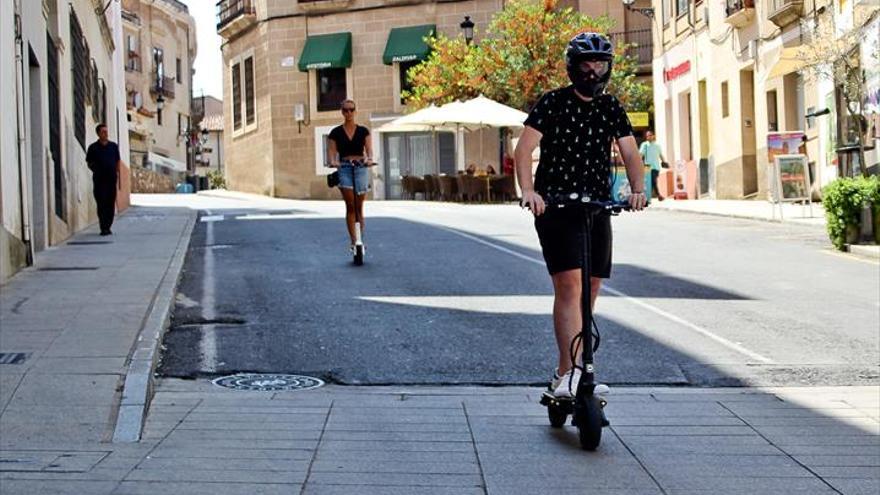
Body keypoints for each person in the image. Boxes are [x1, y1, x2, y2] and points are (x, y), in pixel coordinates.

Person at [514, 32, 647, 398]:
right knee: (570, 285)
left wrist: (638, 189)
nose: (592, 72)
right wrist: (529, 190)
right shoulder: (552, 102)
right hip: (556, 206)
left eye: (599, 65)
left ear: (608, 67)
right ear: (573, 68)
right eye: (585, 65)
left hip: (596, 206)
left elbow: (630, 153)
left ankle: (568, 373)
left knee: (591, 288)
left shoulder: (611, 108)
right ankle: (573, 371)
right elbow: (524, 149)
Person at [327, 99, 374, 254]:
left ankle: (361, 238)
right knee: (350, 205)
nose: (348, 113)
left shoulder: (363, 131)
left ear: (355, 111)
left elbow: (369, 151)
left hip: (360, 167)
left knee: (360, 206)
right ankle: (354, 240)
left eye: (351, 110)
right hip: (345, 167)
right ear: (342, 112)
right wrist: (334, 162)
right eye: (345, 110)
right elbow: (332, 152)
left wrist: (368, 159)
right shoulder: (335, 132)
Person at [85, 124, 122, 235]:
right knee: (101, 203)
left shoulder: (113, 146)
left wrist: (117, 172)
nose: (106, 133)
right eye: (103, 132)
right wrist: (96, 170)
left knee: (110, 203)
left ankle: (108, 226)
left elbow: (117, 161)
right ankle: (103, 227)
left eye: (106, 131)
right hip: (99, 180)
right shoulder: (93, 148)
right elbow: (89, 162)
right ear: (98, 133)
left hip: (111, 179)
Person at [639, 130, 666, 200]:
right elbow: (641, 155)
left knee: (653, 181)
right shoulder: (644, 145)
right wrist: (639, 164)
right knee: (652, 181)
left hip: (656, 167)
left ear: (653, 136)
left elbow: (660, 155)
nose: (649, 137)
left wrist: (664, 162)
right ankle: (657, 195)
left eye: (650, 135)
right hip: (648, 167)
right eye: (647, 136)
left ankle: (648, 196)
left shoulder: (657, 146)